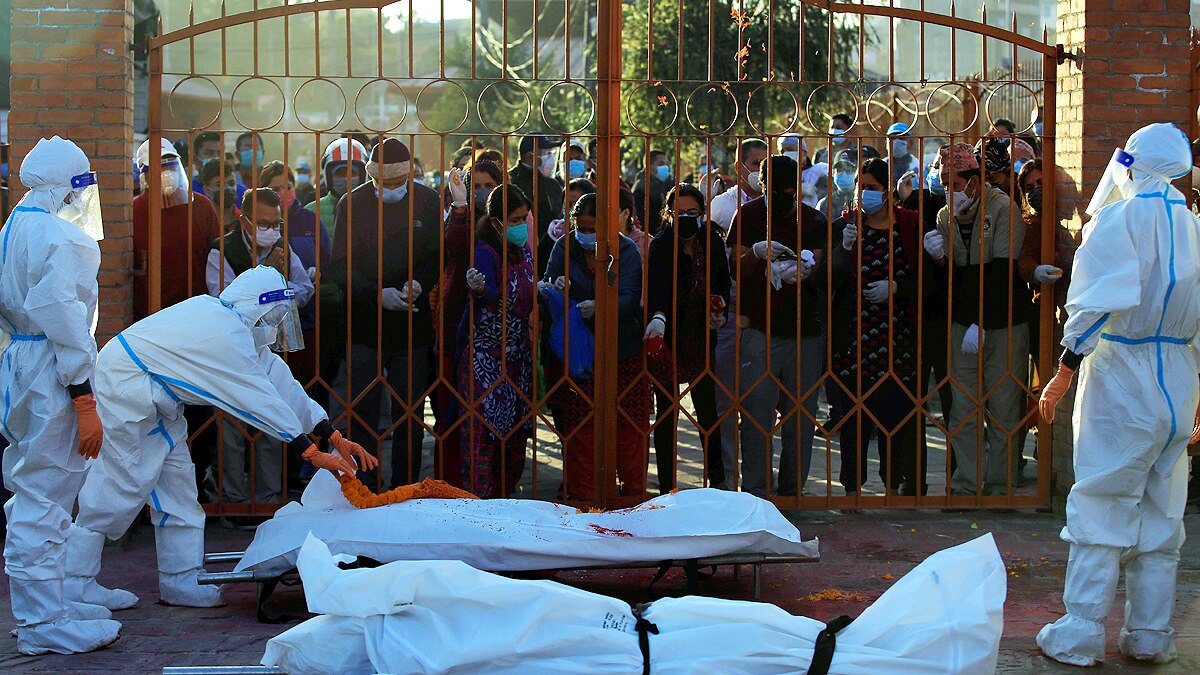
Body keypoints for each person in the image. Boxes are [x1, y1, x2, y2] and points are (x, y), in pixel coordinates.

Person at [66, 267, 374, 611]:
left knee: (179, 489)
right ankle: (74, 582)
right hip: (127, 390)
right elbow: (257, 398)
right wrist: (311, 452)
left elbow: (279, 383)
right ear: (259, 307)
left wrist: (328, 431)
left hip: (158, 400)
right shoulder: (223, 334)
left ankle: (180, 580)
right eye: (275, 315)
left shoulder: (240, 332)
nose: (278, 323)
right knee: (118, 488)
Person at [1036, 123, 1200, 667]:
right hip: (1179, 375)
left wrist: (1064, 368)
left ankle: (1082, 630)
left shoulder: (1121, 219)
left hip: (1122, 372)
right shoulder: (1194, 227)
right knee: (1163, 510)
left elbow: (1094, 304)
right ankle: (1150, 634)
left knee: (1103, 500)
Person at [0, 136, 118, 654]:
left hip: (21, 364)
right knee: (45, 495)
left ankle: (47, 607)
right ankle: (42, 625)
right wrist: (82, 394)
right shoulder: (60, 238)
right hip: (51, 371)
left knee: (35, 489)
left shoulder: (12, 229)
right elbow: (67, 321)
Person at [332, 137, 442, 489]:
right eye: (385, 183)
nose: (392, 190)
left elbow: (436, 257)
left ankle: (405, 488)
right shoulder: (353, 203)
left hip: (412, 326)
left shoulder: (427, 200)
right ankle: (365, 486)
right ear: (372, 175)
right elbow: (340, 266)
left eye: (399, 183)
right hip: (365, 324)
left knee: (408, 412)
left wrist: (419, 285)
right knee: (362, 412)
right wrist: (376, 295)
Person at [926, 143, 1028, 496]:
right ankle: (967, 487)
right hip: (962, 324)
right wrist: (938, 259)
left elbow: (1001, 272)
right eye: (943, 183)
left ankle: (1002, 488)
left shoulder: (1003, 209)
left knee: (1003, 410)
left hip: (1003, 324)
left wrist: (981, 322)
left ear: (973, 181)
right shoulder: (944, 217)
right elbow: (954, 277)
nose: (948, 191)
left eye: (954, 183)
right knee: (964, 412)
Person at [207, 188, 314, 506]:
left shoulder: (283, 247)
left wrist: (280, 286)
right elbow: (223, 301)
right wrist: (266, 273)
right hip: (231, 353)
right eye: (264, 223)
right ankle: (232, 500)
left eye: (276, 223)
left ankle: (269, 499)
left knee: (271, 424)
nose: (272, 230)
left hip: (271, 348)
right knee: (231, 429)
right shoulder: (221, 250)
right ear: (245, 220)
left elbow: (304, 288)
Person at [727, 155, 827, 497]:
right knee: (756, 418)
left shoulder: (812, 218)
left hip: (806, 331)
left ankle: (792, 493)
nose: (784, 195)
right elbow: (732, 263)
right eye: (776, 188)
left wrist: (808, 269)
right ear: (762, 184)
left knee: (800, 420)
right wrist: (755, 253)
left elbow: (823, 263)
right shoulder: (749, 215)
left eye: (790, 188)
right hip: (759, 329)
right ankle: (756, 492)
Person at [829, 158, 925, 496]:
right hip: (854, 339)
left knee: (896, 417)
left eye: (872, 188)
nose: (866, 194)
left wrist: (897, 287)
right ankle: (852, 487)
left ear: (887, 191)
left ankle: (894, 483)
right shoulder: (847, 225)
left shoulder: (909, 225)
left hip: (898, 338)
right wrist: (844, 248)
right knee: (855, 418)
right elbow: (831, 277)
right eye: (861, 188)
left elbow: (929, 279)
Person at [543, 193, 648, 500]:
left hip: (621, 350)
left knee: (627, 428)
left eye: (593, 229)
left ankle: (632, 498)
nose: (586, 235)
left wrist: (601, 305)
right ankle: (583, 499)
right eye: (582, 227)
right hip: (579, 355)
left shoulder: (626, 249)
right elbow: (549, 280)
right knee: (582, 429)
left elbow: (630, 298)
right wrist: (555, 287)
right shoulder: (564, 246)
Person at [645, 184, 731, 492]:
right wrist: (657, 316)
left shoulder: (712, 242)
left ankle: (717, 483)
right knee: (667, 414)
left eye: (692, 213)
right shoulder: (661, 245)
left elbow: (723, 283)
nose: (686, 218)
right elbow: (656, 288)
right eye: (679, 213)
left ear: (703, 214)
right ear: (668, 214)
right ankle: (668, 488)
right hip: (668, 338)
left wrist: (720, 308)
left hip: (701, 336)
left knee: (708, 413)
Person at [455, 185, 537, 497]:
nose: (520, 226)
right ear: (496, 221)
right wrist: (478, 290)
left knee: (515, 438)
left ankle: (507, 502)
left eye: (523, 219)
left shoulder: (524, 249)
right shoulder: (485, 252)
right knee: (482, 440)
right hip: (486, 361)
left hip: (519, 360)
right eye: (514, 220)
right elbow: (488, 294)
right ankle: (479, 509)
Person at [260, 161, 331, 387]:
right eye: (276, 189)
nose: (284, 193)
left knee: (310, 385)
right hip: (269, 326)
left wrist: (319, 271)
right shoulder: (259, 224)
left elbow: (328, 259)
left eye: (287, 186)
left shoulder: (310, 220)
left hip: (308, 319)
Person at [133, 138, 221, 321]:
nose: (167, 173)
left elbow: (218, 258)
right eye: (160, 167)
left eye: (172, 165)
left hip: (198, 312)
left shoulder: (201, 206)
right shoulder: (134, 212)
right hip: (151, 317)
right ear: (145, 175)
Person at [305, 136, 369, 237]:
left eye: (352, 172)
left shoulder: (375, 209)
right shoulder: (311, 212)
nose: (346, 178)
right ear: (328, 175)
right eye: (340, 173)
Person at [510, 133, 565, 241]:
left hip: (550, 244)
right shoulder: (511, 180)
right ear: (530, 155)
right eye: (546, 153)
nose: (550, 157)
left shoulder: (552, 183)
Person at [780, 134, 829, 209]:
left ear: (804, 152)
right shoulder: (779, 174)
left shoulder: (820, 169)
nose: (785, 153)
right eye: (782, 151)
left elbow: (832, 191)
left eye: (790, 149)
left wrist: (818, 188)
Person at [633, 149, 675, 235]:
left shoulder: (667, 183)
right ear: (648, 166)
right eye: (661, 164)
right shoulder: (641, 188)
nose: (666, 167)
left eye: (667, 164)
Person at [198, 157, 240, 228]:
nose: (227, 188)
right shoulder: (201, 223)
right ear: (207, 190)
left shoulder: (244, 220)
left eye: (231, 183)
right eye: (219, 185)